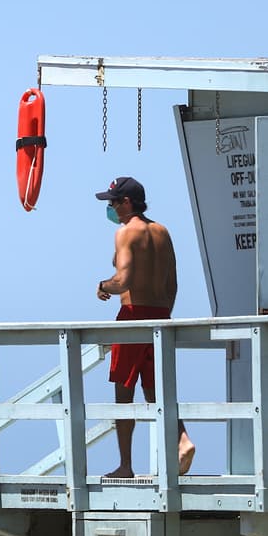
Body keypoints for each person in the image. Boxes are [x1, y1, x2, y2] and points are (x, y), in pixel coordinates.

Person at [94, 176, 195, 478]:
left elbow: (123, 280)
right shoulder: (162, 232)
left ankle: (125, 465)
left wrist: (103, 285)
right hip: (161, 315)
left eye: (112, 202)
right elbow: (173, 284)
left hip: (132, 316)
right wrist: (163, 316)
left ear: (126, 203)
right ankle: (183, 440)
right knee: (156, 390)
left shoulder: (126, 233)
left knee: (124, 394)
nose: (110, 207)